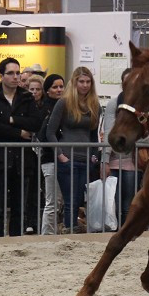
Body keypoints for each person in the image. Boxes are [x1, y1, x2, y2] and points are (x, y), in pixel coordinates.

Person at [0, 57, 43, 237]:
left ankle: (16, 243)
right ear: (1, 76)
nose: (15, 77)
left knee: (19, 207)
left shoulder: (26, 97)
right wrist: (19, 133)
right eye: (10, 73)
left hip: (22, 159)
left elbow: (36, 122)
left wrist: (11, 120)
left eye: (18, 73)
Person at [45, 65, 100, 234]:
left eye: (88, 81)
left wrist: (94, 155)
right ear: (75, 83)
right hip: (68, 157)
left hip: (85, 159)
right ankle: (69, 231)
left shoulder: (94, 104)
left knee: (79, 200)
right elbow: (50, 132)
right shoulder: (64, 103)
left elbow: (93, 135)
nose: (85, 85)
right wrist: (61, 155)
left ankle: (74, 230)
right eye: (81, 81)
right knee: (70, 201)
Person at [99, 68, 143, 229]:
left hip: (133, 161)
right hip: (114, 160)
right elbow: (109, 130)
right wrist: (104, 161)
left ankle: (126, 231)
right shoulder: (113, 103)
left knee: (128, 203)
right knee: (113, 203)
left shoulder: (141, 104)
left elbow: (146, 131)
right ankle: (116, 231)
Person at [38, 73, 65, 234]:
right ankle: (46, 235)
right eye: (55, 87)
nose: (59, 90)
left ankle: (55, 232)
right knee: (52, 201)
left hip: (64, 158)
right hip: (50, 159)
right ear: (47, 90)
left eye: (61, 86)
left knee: (60, 201)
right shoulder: (44, 109)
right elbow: (45, 134)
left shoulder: (65, 106)